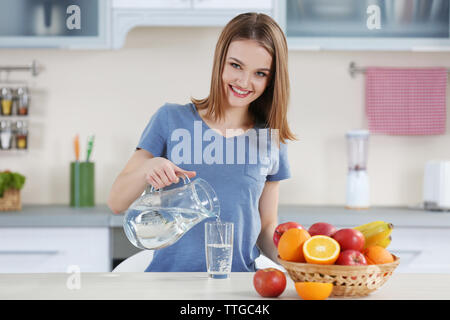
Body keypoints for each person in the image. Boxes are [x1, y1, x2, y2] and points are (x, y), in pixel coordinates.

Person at [108, 12, 296, 272]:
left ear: (273, 79)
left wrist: (299, 260)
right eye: (236, 65)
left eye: (260, 73)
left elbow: (266, 228)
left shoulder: (269, 137)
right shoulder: (170, 119)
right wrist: (148, 168)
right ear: (220, 61)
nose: (244, 82)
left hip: (237, 289)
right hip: (169, 285)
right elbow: (116, 202)